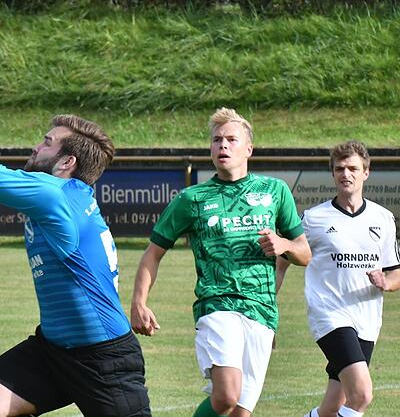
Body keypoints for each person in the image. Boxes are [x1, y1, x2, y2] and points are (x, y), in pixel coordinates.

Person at [0, 75, 152, 417]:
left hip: (104, 358)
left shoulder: (54, 195)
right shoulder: (65, 194)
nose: (36, 147)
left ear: (66, 163)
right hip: (53, 349)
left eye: (47, 143)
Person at [130, 108, 311, 417]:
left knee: (241, 410)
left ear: (249, 149)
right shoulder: (192, 199)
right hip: (218, 305)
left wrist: (282, 245)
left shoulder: (275, 191)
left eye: (231, 139)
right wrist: (139, 302)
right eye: (216, 140)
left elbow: (304, 253)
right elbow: (153, 252)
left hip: (263, 310)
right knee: (226, 395)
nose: (222, 146)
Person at [274, 141, 400, 417]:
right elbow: (281, 262)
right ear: (332, 173)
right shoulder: (314, 219)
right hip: (330, 314)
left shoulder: (383, 218)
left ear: (366, 172)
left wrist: (386, 282)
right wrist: (268, 308)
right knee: (361, 394)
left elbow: (395, 271)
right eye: (340, 169)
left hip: (367, 318)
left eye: (353, 168)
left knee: (331, 407)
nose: (346, 174)